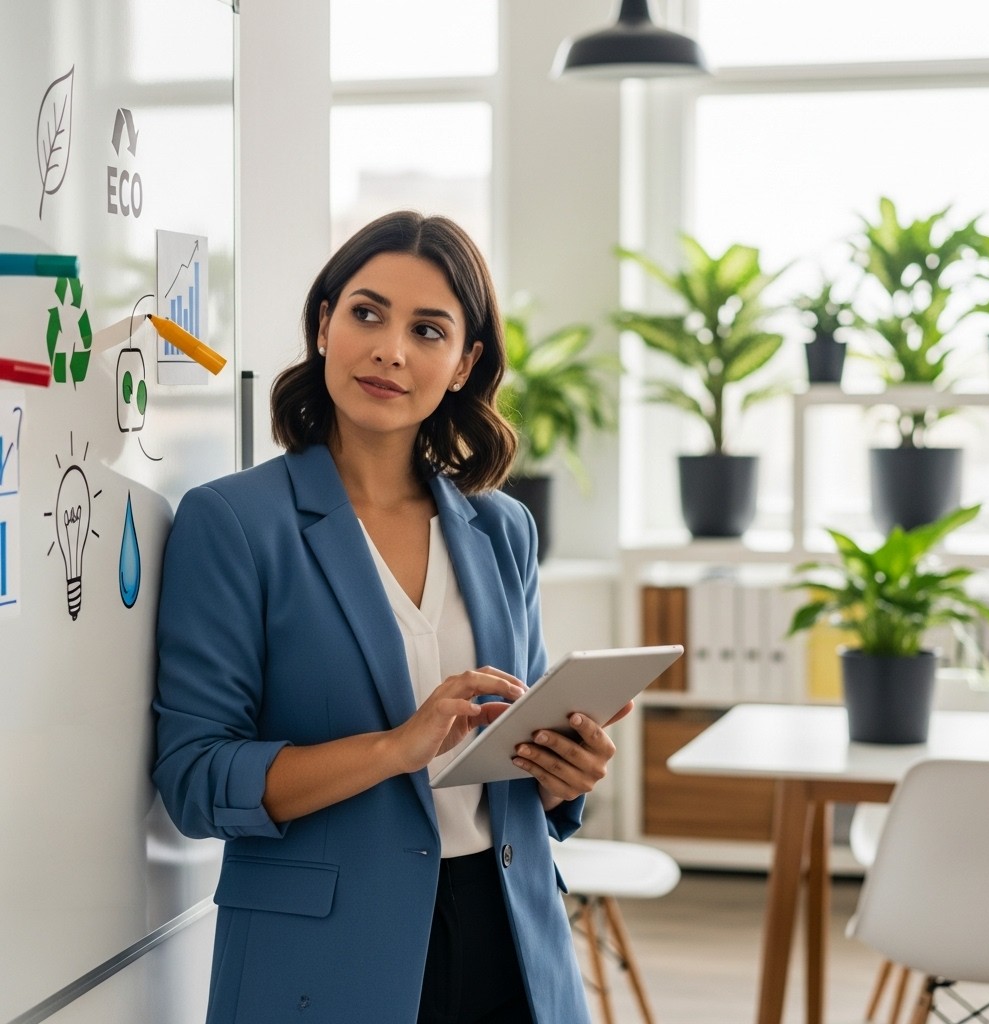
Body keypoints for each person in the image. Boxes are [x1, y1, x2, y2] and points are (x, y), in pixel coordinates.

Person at [152, 210, 631, 1024]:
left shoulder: (501, 527)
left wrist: (563, 774)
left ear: (464, 363)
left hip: (509, 933)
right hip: (322, 957)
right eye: (367, 313)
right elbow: (196, 780)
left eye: (428, 330)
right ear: (323, 323)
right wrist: (394, 748)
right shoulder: (233, 523)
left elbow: (513, 745)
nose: (391, 351)